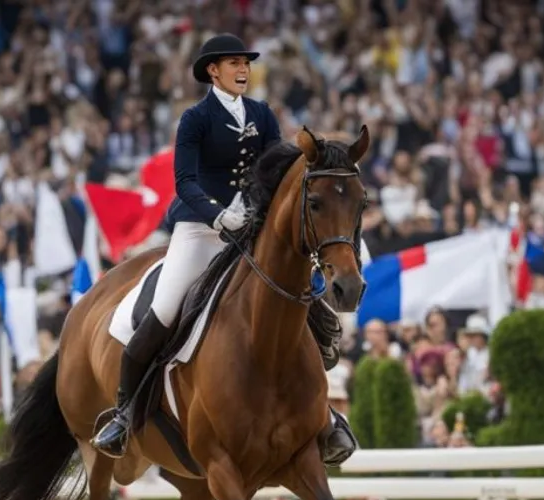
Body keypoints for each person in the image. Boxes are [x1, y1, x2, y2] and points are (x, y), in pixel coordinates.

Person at [91, 34, 358, 465]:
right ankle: (124, 411)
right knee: (164, 309)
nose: (243, 69)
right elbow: (185, 182)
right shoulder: (195, 119)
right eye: (235, 62)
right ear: (213, 70)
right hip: (200, 229)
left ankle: (323, 416)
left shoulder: (261, 113)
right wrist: (217, 215)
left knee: (301, 309)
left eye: (246, 63)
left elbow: (277, 169)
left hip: (250, 230)